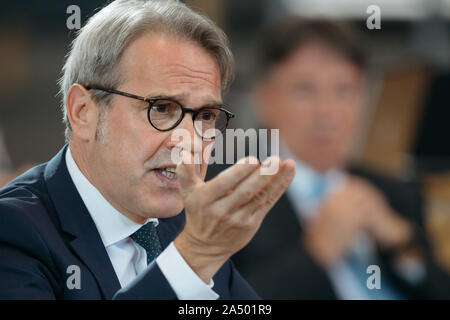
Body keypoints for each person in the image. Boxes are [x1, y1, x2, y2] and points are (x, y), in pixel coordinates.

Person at [0, 0, 295, 300]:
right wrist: (191, 259)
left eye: (206, 116)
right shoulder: (12, 230)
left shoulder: (185, 227)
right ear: (83, 112)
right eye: (163, 108)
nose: (189, 142)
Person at [228, 18, 450, 299]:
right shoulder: (231, 194)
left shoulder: (395, 192)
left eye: (344, 90)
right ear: (264, 99)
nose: (327, 112)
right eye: (304, 90)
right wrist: (317, 253)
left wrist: (404, 248)